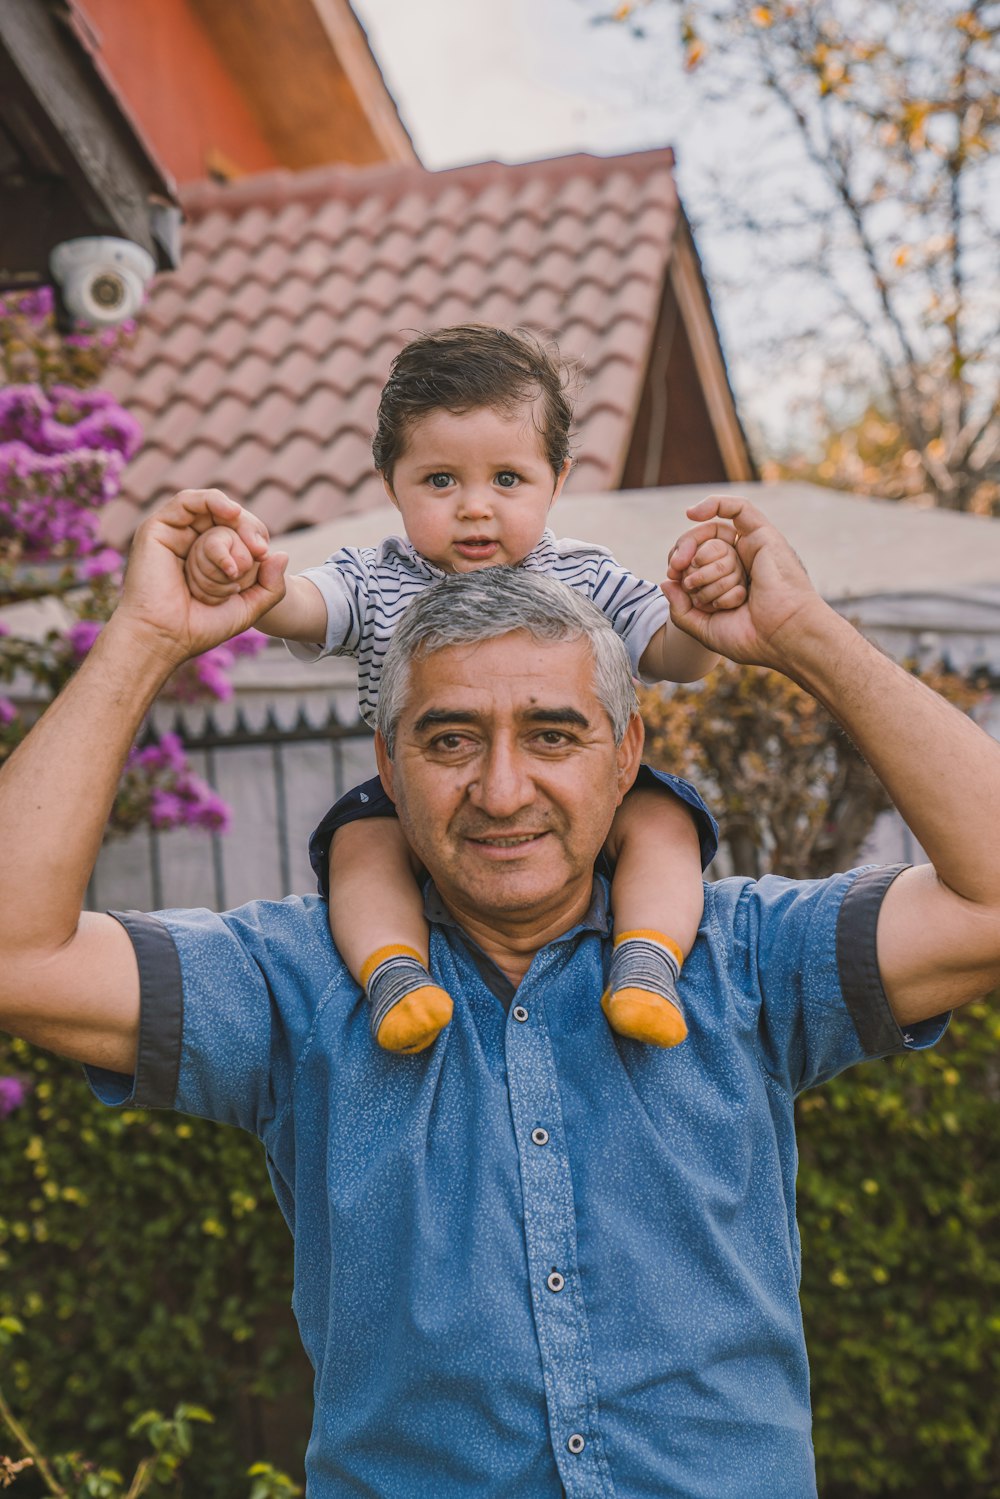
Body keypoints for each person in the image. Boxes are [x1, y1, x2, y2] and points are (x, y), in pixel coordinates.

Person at [2, 486, 999, 1498]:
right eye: (449, 740)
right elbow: (16, 954)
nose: (503, 787)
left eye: (554, 735)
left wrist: (804, 635)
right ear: (386, 766)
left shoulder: (743, 956)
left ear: (627, 757)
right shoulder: (295, 983)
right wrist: (143, 638)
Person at [181, 325, 746, 1054]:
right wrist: (249, 578)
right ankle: (395, 975)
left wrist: (704, 612)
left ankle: (646, 960)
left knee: (664, 821)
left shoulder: (584, 574)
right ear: (392, 484)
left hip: (583, 793)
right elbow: (303, 605)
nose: (475, 506)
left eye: (507, 479)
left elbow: (674, 654)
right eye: (441, 480)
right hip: (419, 798)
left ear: (557, 480)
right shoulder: (374, 575)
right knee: (360, 842)